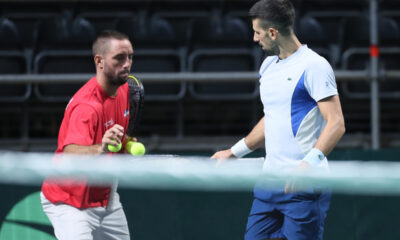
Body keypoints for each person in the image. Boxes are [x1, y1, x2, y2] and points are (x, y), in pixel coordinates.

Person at [211, 0, 345, 239]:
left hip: (304, 187)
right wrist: (234, 152)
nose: (254, 39)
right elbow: (272, 118)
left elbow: (336, 123)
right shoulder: (268, 66)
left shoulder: (314, 66)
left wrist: (306, 165)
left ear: (273, 33)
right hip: (268, 185)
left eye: (257, 33)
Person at [41, 30, 134, 240]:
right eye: (119, 58)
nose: (126, 64)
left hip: (105, 196)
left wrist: (125, 142)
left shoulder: (124, 89)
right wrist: (101, 146)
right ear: (99, 61)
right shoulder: (86, 107)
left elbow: (114, 132)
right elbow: (70, 152)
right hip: (70, 202)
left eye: (130, 57)